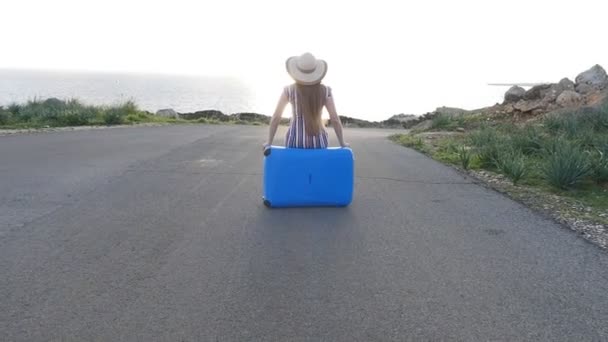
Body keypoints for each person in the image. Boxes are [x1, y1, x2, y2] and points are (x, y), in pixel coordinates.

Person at [264, 52, 348, 149]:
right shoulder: (326, 91)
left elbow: (276, 117)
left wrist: (269, 142)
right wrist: (342, 143)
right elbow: (335, 120)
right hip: (319, 142)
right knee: (317, 165)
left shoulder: (288, 90)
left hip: (294, 142)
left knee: (294, 164)